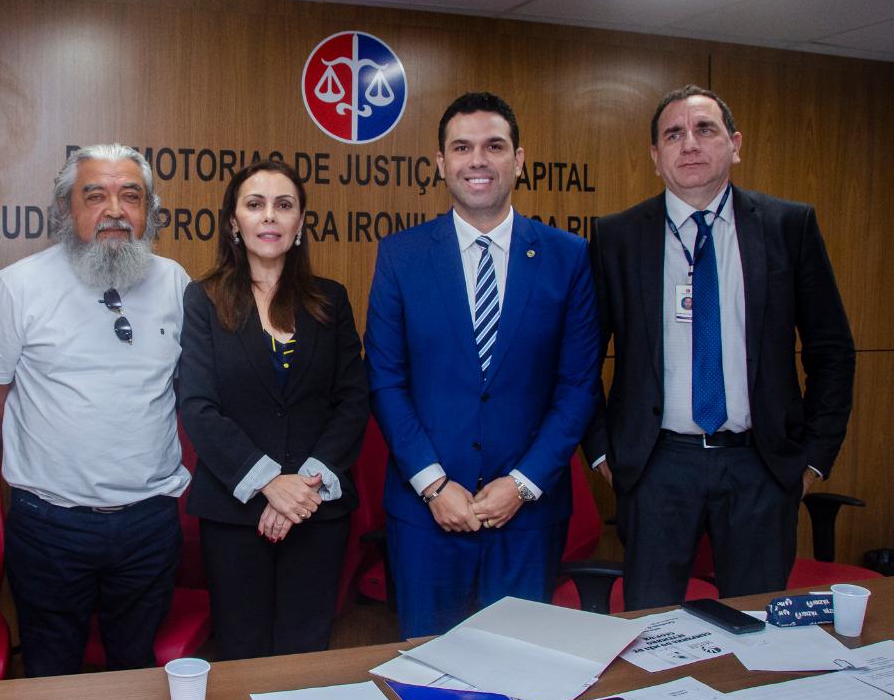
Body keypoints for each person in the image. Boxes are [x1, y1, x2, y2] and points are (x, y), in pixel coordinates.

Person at [583, 84, 855, 610]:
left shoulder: (787, 227)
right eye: (673, 134)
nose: (689, 144)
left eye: (705, 130)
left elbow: (831, 350)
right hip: (656, 467)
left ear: (734, 144)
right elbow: (581, 359)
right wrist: (602, 454)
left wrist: (814, 461)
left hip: (761, 465)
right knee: (651, 630)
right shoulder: (618, 237)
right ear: (655, 158)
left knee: (757, 633)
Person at [365, 91, 600, 638]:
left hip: (528, 516)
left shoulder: (568, 257)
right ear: (441, 164)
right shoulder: (401, 256)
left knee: (519, 675)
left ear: (518, 161)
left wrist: (520, 485)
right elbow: (386, 379)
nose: (478, 160)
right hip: (426, 515)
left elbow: (578, 387)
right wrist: (432, 484)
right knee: (428, 673)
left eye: (494, 146)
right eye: (462, 147)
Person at [0, 144, 190, 677]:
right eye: (96, 195)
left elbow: (186, 392)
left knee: (136, 670)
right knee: (50, 671)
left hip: (150, 522)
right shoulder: (17, 287)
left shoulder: (175, 282)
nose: (114, 209)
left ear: (149, 211)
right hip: (50, 526)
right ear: (67, 210)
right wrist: (49, 452)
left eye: (130, 196)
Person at [178, 159, 368, 659]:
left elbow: (353, 399)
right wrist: (268, 483)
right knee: (242, 656)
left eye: (283, 206)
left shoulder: (331, 299)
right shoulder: (203, 299)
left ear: (301, 223)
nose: (269, 217)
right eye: (255, 205)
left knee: (306, 655)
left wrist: (301, 489)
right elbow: (198, 406)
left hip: (318, 511)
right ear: (233, 222)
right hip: (235, 513)